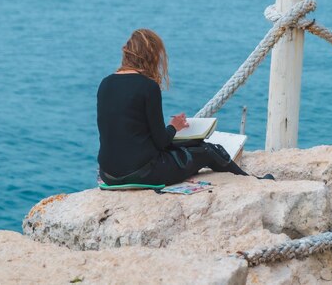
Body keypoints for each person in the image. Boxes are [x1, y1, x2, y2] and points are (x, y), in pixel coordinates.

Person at [97, 28, 273, 186]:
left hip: (109, 174)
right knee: (206, 150)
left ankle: (248, 179)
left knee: (191, 146)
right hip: (142, 172)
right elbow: (161, 142)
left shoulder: (105, 84)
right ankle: (252, 182)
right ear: (151, 56)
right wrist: (175, 126)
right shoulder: (147, 87)